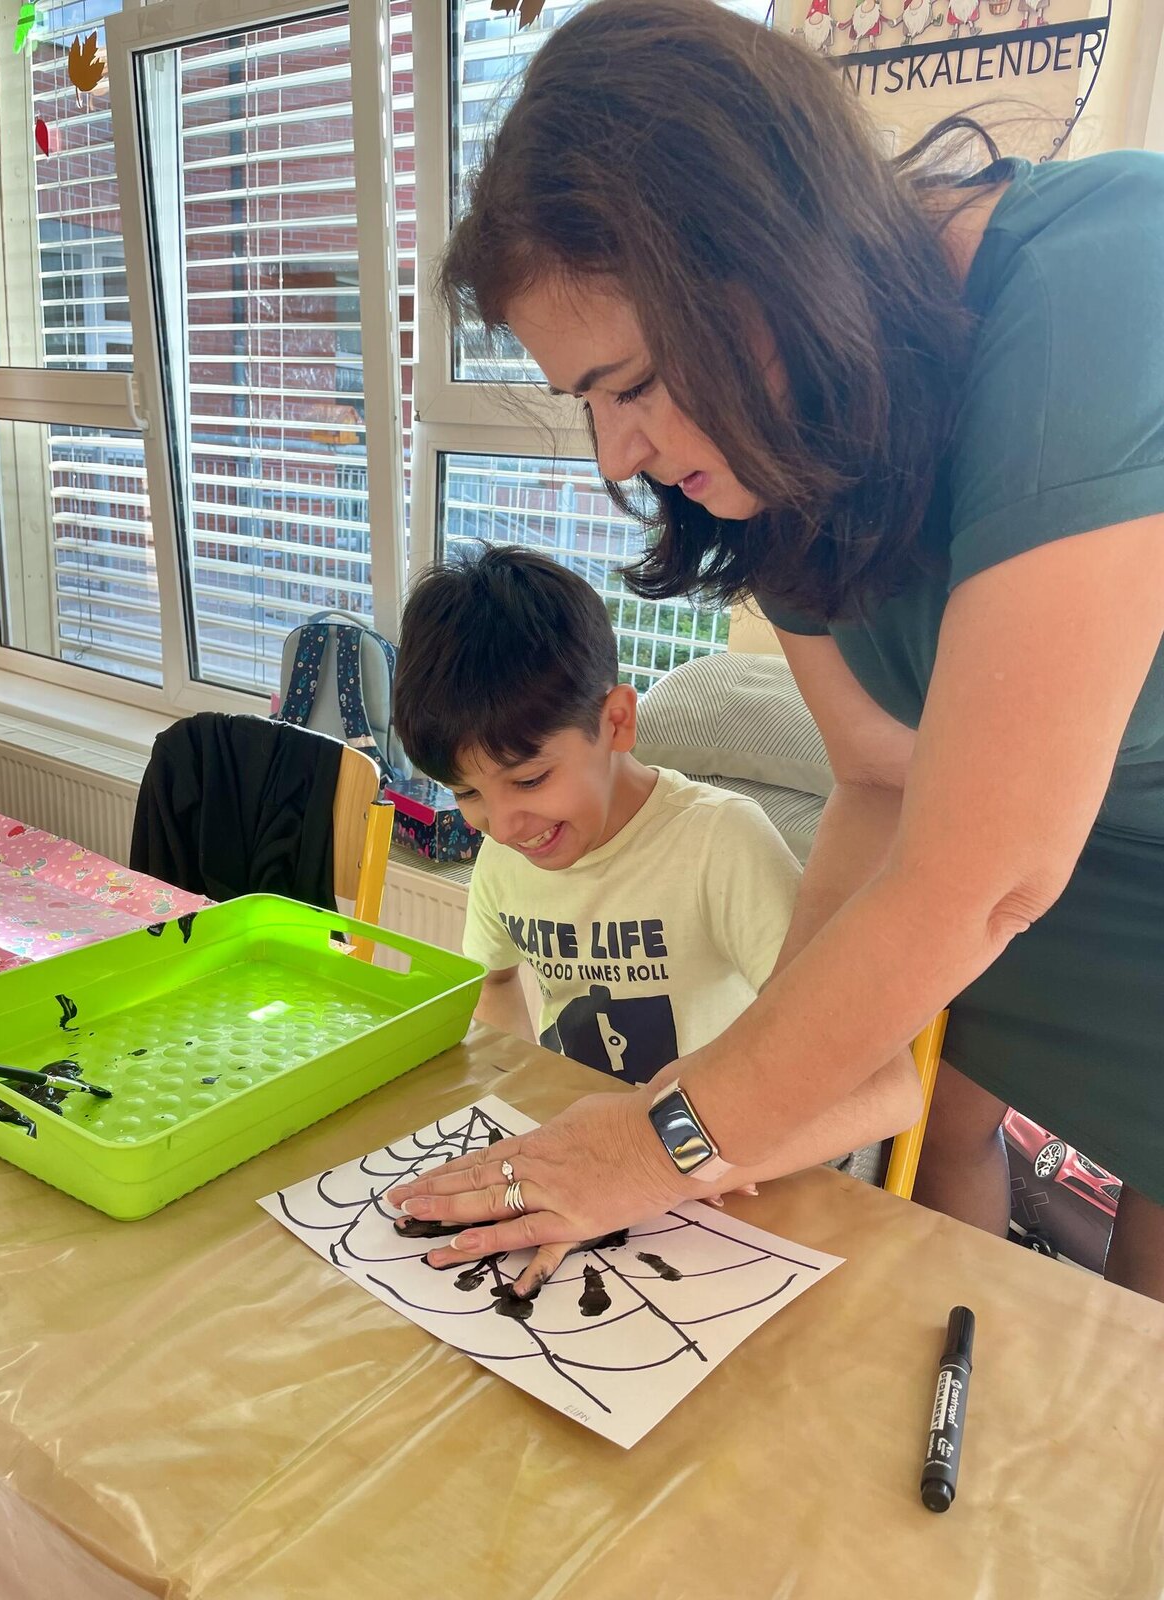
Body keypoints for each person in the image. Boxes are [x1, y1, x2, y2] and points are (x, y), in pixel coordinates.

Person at [389, 0, 1164, 1300]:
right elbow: (878, 776)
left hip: (1055, 842)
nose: (620, 454)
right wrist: (737, 1101)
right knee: (935, 1135)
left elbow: (982, 879)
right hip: (1001, 843)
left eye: (634, 385)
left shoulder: (1102, 286)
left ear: (767, 266)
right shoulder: (783, 447)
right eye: (588, 404)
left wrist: (662, 1139)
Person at [392, 545, 921, 1287]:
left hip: (721, 1191)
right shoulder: (508, 855)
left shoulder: (718, 842)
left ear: (616, 721)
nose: (503, 825)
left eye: (531, 779)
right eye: (467, 794)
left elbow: (887, 1090)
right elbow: (495, 981)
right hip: (588, 1170)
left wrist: (689, 1165)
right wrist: (523, 1105)